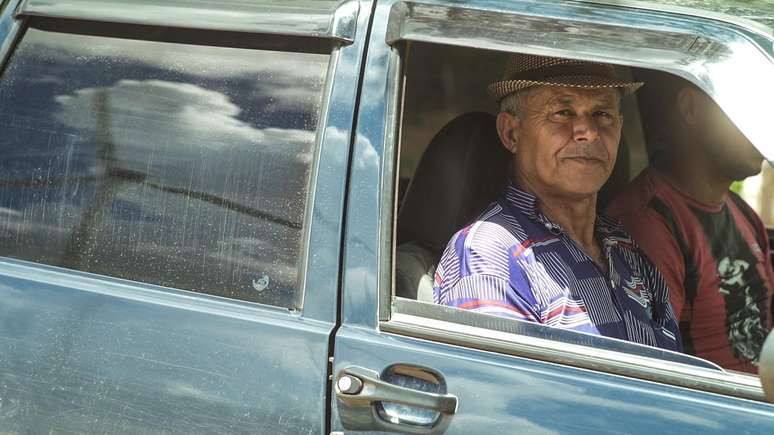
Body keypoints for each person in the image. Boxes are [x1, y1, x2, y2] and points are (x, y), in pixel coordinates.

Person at [433, 54, 682, 352]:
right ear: (511, 133)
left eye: (602, 114)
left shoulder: (624, 248)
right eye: (562, 113)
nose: (588, 132)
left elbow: (675, 374)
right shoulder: (490, 253)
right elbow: (501, 391)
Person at [606, 74, 773, 372]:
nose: (762, 125)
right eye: (747, 109)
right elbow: (654, 371)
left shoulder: (742, 214)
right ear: (690, 109)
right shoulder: (649, 223)